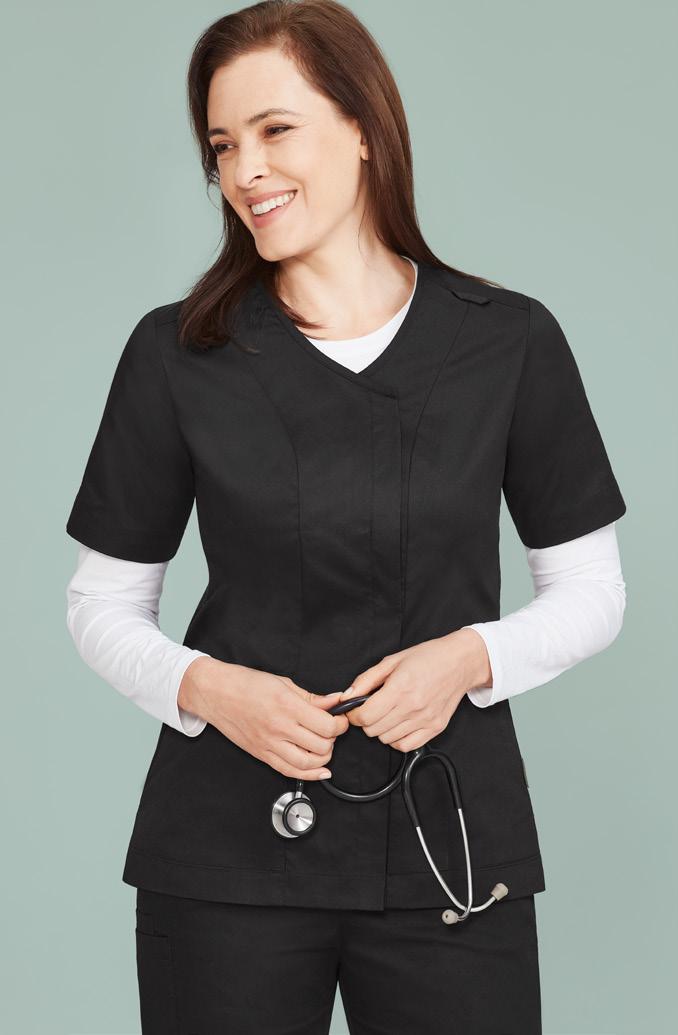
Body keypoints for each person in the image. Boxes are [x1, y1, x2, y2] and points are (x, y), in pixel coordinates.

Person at [65, 2, 627, 1032]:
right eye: (222, 146)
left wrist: (469, 659)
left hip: (448, 849)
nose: (246, 172)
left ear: (363, 127)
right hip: (226, 854)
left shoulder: (508, 342)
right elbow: (99, 604)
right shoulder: (176, 353)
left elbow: (594, 593)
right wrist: (210, 689)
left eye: (274, 130)